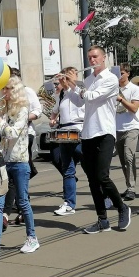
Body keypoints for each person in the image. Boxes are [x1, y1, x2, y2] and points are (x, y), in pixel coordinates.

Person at [63, 45, 131, 234]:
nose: (92, 60)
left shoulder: (110, 79)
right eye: (89, 57)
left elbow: (92, 97)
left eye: (95, 57)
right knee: (93, 180)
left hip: (105, 132)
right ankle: (102, 219)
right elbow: (80, 102)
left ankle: (122, 207)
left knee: (102, 176)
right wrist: (67, 87)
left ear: (104, 58)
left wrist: (76, 84)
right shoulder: (88, 79)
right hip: (88, 133)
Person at [0, 76, 40, 261]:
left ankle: (32, 237)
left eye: (8, 89)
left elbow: (12, 132)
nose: (4, 92)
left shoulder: (23, 110)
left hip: (20, 162)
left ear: (15, 90)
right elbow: (0, 133)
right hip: (4, 161)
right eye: (4, 89)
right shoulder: (7, 110)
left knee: (23, 202)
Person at [51, 67, 85, 216]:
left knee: (90, 167)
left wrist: (70, 83)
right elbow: (55, 110)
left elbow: (82, 101)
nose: (65, 78)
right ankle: (69, 203)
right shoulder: (62, 94)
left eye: (70, 75)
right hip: (64, 131)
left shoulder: (82, 88)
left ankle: (104, 196)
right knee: (68, 169)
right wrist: (53, 119)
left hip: (80, 129)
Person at [115, 63, 139, 201]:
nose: (119, 76)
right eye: (117, 73)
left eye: (121, 73)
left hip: (132, 126)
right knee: (123, 160)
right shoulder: (112, 88)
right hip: (117, 128)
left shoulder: (134, 89)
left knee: (128, 156)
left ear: (128, 74)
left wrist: (120, 98)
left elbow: (133, 108)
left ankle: (132, 188)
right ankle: (128, 186)